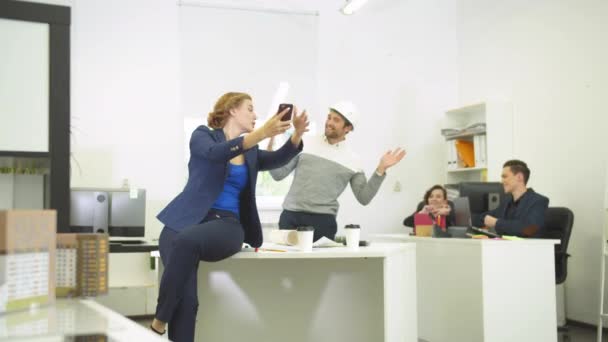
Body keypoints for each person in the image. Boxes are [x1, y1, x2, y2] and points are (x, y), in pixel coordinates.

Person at [150, 92, 309, 342]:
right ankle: (168, 320)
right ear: (233, 109)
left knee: (187, 240)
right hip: (184, 219)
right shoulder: (202, 136)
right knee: (187, 300)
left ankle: (158, 321)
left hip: (227, 224)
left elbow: (279, 159)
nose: (256, 115)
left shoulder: (252, 152)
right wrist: (260, 134)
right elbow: (216, 153)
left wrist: (297, 134)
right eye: (250, 109)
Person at [268, 101, 406, 241]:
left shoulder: (353, 161)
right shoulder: (304, 142)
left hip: (322, 221)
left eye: (336, 120)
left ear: (348, 128)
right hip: (291, 216)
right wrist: (271, 139)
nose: (329, 122)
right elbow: (278, 174)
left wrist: (381, 169)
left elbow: (364, 197)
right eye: (329, 117)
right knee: (287, 263)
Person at [473, 159, 549, 237]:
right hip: (507, 247)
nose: (502, 181)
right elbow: (484, 218)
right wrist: (465, 219)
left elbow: (529, 229)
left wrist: (496, 223)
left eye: (505, 176)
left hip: (528, 248)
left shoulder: (539, 201)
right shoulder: (507, 202)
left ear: (519, 177)